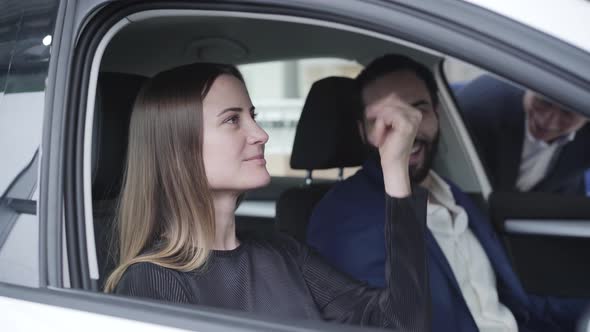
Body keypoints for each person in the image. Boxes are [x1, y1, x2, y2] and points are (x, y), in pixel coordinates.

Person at [103, 63, 430, 330]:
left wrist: (395, 168)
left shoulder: (283, 253)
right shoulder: (152, 281)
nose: (260, 134)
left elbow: (400, 322)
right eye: (232, 120)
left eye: (252, 116)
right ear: (177, 150)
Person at [307, 54, 587, 332]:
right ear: (362, 130)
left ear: (438, 114)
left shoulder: (453, 193)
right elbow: (392, 323)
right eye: (388, 119)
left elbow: (510, 307)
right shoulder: (343, 216)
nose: (408, 130)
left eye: (419, 110)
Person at [456, 75, 590, 194]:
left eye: (567, 114)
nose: (548, 122)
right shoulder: (478, 110)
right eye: (544, 102)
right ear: (527, 86)